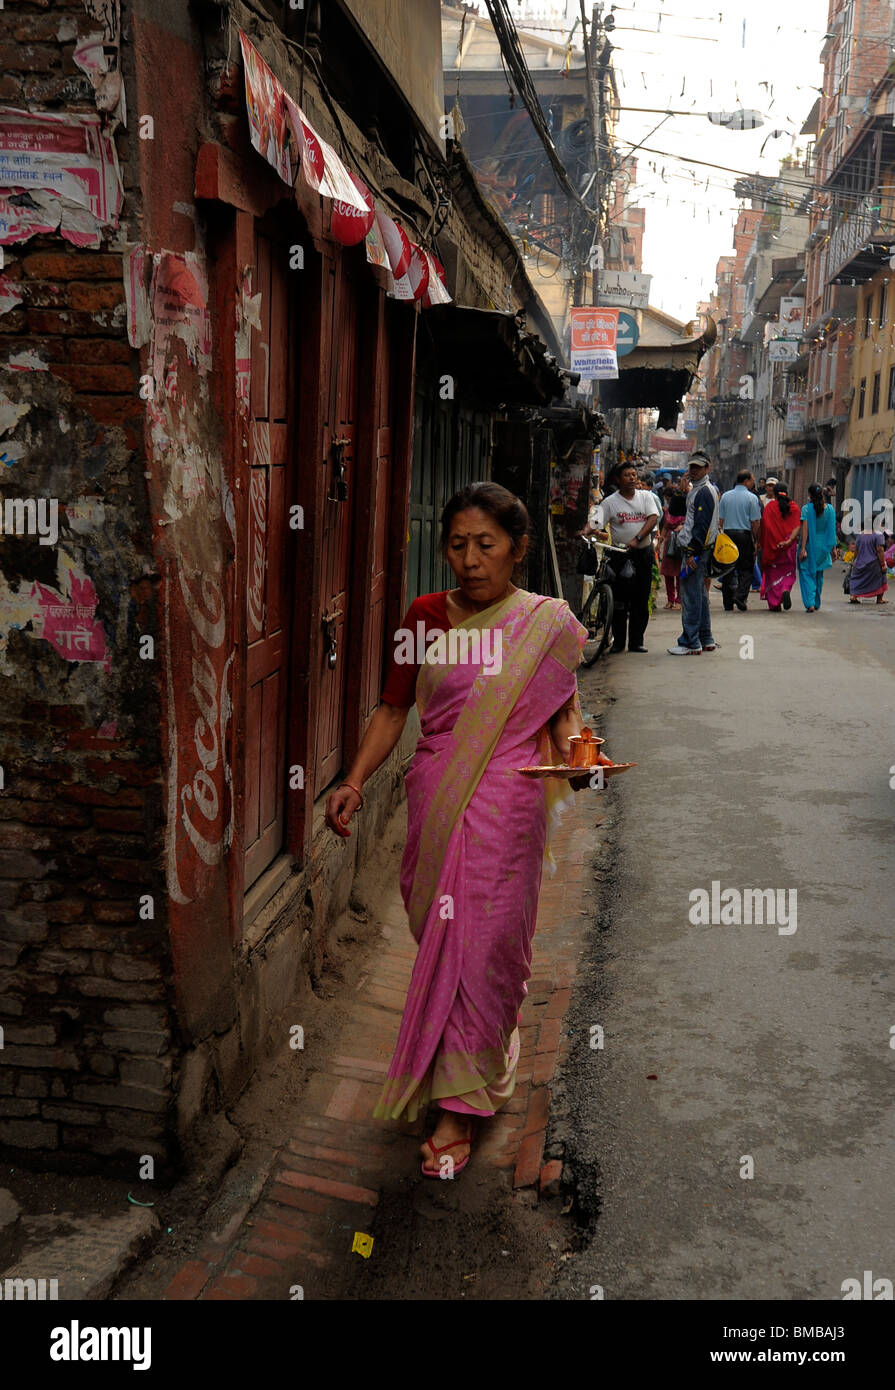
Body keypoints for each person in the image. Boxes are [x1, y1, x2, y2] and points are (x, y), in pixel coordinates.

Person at [324, 483, 588, 1177]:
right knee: (445, 940)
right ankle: (459, 1069)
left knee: (486, 944)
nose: (469, 561)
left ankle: (458, 1109)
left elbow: (561, 718)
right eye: (456, 546)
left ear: (517, 550)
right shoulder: (423, 615)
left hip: (511, 804)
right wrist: (353, 779)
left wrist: (576, 756)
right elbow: (391, 709)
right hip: (437, 797)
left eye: (486, 546)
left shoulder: (544, 624)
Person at [587, 461, 660, 652]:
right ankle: (618, 642)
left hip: (642, 554)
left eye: (634, 475)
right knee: (619, 601)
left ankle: (636, 641)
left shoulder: (646, 497)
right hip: (619, 555)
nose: (632, 478)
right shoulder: (610, 502)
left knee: (641, 600)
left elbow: (653, 518)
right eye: (627, 475)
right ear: (618, 479)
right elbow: (596, 521)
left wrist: (637, 538)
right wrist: (585, 531)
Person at [667, 450, 720, 655]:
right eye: (692, 467)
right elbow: (677, 512)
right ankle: (705, 638)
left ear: (707, 468)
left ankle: (690, 641)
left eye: (698, 467)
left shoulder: (705, 491)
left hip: (697, 550)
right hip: (698, 549)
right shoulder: (697, 489)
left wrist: (691, 552)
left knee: (690, 596)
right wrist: (681, 491)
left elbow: (701, 525)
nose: (694, 470)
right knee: (699, 594)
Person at [718, 469, 762, 612]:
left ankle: (728, 603)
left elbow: (720, 520)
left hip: (728, 535)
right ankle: (740, 595)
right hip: (744, 536)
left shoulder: (725, 496)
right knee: (746, 569)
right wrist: (756, 540)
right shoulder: (752, 498)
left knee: (728, 569)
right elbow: (755, 523)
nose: (753, 483)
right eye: (752, 480)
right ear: (746, 481)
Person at [758, 483, 800, 611]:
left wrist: (760, 543)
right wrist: (789, 541)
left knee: (773, 575)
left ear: (775, 494)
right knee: (787, 573)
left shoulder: (769, 507)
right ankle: (785, 589)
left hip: (772, 547)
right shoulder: (794, 507)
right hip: (788, 548)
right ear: (787, 492)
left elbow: (764, 527)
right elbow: (797, 526)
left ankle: (775, 604)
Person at [798, 482, 838, 612]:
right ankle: (816, 602)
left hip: (810, 545)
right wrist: (833, 548)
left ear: (809, 494)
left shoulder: (806, 509)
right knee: (818, 575)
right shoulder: (830, 510)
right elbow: (831, 530)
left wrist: (803, 548)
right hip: (824, 546)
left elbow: (805, 530)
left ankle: (810, 603)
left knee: (806, 573)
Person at [657, 486, 686, 609]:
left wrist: (682, 527)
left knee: (679, 574)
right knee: (668, 574)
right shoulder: (669, 511)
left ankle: (679, 600)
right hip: (669, 543)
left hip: (680, 543)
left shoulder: (686, 512)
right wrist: (659, 542)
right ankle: (670, 600)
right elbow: (665, 527)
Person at [848, 527, 889, 604]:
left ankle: (853, 596)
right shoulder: (878, 535)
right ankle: (879, 599)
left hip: (859, 562)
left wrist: (854, 561)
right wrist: (883, 564)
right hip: (873, 563)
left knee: (857, 579)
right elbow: (880, 550)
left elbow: (856, 549)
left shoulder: (860, 535)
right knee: (881, 576)